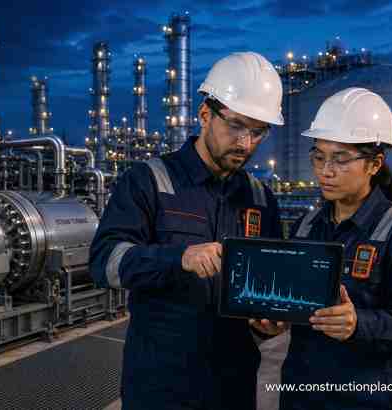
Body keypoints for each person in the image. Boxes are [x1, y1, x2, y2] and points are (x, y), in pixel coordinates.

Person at [90, 52, 288, 410]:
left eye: (258, 132)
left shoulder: (260, 199)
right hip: (161, 387)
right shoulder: (149, 181)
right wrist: (178, 258)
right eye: (236, 126)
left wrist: (268, 323)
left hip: (234, 387)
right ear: (205, 114)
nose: (246, 143)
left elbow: (268, 287)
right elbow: (105, 262)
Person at [281, 87, 392, 410]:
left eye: (340, 159)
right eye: (319, 157)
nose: (325, 171)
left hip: (371, 396)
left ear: (374, 164)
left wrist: (358, 324)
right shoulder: (305, 227)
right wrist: (274, 317)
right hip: (304, 392)